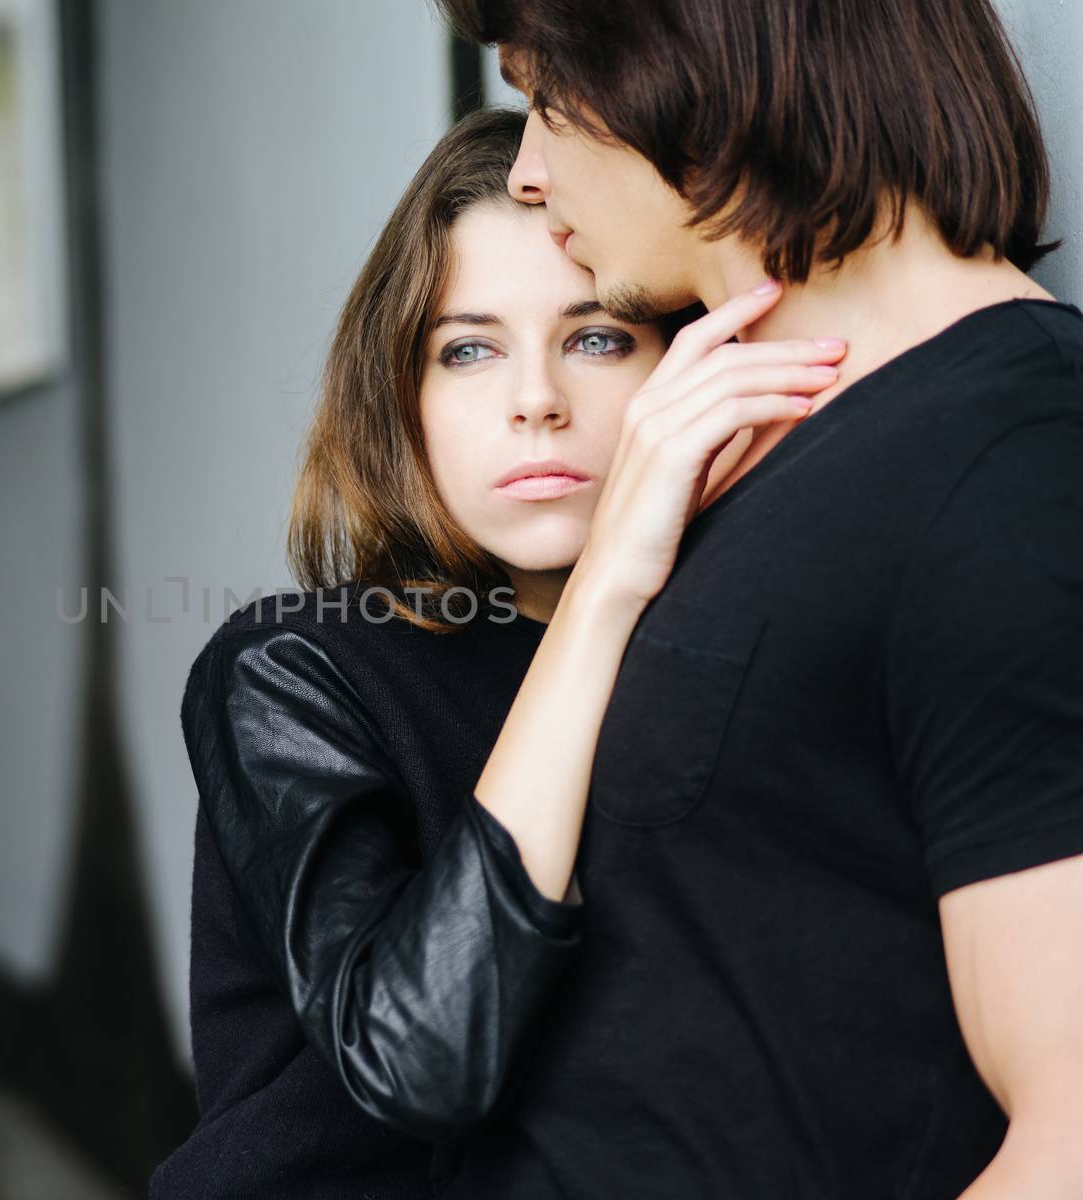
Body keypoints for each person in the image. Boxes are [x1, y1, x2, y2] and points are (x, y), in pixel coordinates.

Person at [432, 1, 1083, 1196]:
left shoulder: (1013, 462)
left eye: (545, 99)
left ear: (685, 64)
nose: (526, 172)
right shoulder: (730, 443)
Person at [149, 105, 842, 1199]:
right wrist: (605, 587)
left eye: (597, 337)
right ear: (402, 397)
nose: (535, 403)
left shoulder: (727, 654)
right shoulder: (291, 671)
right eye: (467, 349)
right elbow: (416, 1060)